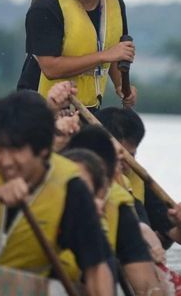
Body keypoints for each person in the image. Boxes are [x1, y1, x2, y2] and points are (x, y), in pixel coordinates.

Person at [0, 91, 114, 295]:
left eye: (15, 150)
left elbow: (95, 267)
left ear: (43, 150)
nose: (4, 161)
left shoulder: (72, 188)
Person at [17, 0, 137, 110]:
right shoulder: (47, 5)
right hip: (40, 108)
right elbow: (50, 68)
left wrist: (121, 86)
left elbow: (114, 53)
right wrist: (105, 56)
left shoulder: (115, 4)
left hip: (87, 108)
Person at [65, 125, 166, 295]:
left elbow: (147, 287)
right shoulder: (44, 190)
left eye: (97, 192)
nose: (93, 204)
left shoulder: (118, 205)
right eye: (79, 190)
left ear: (109, 184)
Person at [98, 107, 181, 248]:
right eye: (117, 155)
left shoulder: (139, 180)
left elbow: (180, 237)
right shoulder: (80, 176)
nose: (124, 164)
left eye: (130, 156)